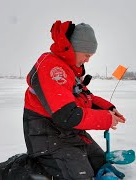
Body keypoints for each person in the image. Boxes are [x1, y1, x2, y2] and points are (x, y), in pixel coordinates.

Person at [23, 20, 126, 180]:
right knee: (81, 175)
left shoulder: (69, 69)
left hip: (68, 132)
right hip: (47, 135)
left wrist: (109, 109)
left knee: (99, 160)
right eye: (86, 55)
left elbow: (87, 98)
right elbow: (67, 115)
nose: (88, 60)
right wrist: (105, 119)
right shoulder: (52, 67)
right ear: (74, 48)